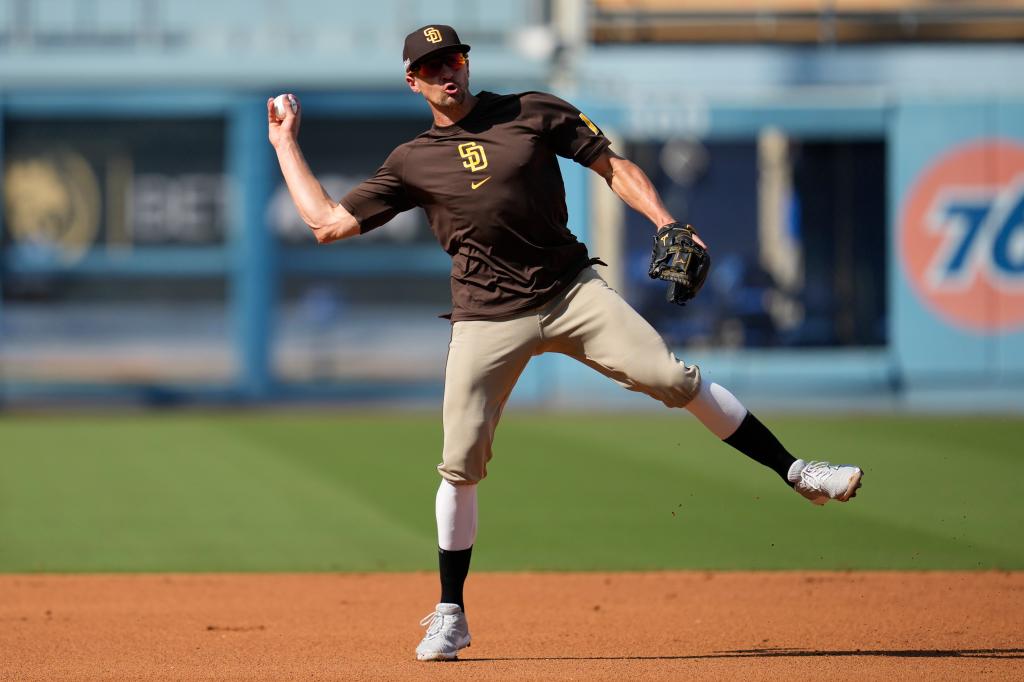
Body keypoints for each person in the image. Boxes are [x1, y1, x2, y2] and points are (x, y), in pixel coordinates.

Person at [267, 24, 864, 662]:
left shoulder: (532, 109)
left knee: (674, 378)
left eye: (454, 59)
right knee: (460, 462)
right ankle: (450, 613)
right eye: (431, 66)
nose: (446, 72)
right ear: (413, 81)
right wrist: (284, 143)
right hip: (484, 317)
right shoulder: (412, 159)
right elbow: (326, 224)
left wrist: (666, 220)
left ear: (467, 64)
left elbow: (614, 166)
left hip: (571, 292)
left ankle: (799, 471)